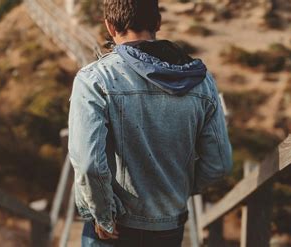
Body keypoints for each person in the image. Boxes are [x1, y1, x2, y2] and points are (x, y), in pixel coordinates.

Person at [68, 0, 233, 246]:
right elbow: (219, 164)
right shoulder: (202, 82)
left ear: (110, 26)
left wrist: (103, 216)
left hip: (115, 229)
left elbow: (89, 163)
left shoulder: (94, 79)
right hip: (169, 226)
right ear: (157, 22)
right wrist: (178, 188)